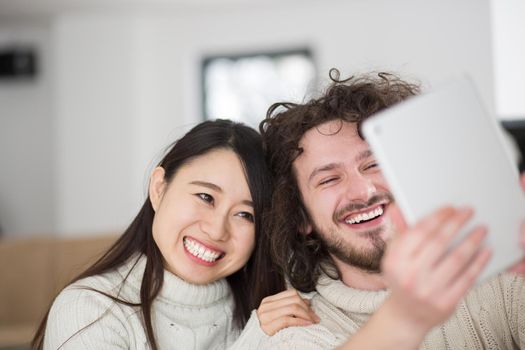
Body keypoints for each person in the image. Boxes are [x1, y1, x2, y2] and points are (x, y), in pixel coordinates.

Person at [253, 70, 525, 349]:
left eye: (373, 165)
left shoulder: (501, 273)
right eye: (329, 179)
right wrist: (406, 313)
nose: (364, 191)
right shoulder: (290, 328)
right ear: (301, 217)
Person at [31, 119, 318, 349]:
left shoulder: (271, 310)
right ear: (159, 188)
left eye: (245, 214)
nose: (217, 230)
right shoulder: (87, 311)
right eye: (205, 197)